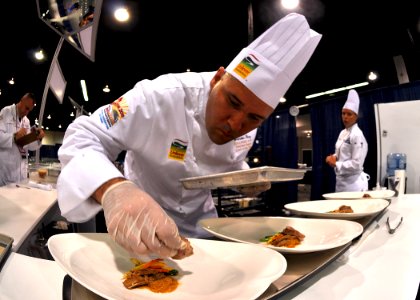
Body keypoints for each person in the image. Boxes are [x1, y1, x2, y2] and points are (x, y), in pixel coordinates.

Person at [57, 13, 322, 258]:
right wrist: (112, 189)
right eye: (232, 101)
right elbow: (84, 134)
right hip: (139, 221)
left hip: (204, 229)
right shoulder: (158, 96)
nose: (235, 123)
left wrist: (243, 177)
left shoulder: (247, 128)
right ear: (218, 79)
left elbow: (225, 163)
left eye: (254, 118)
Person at [325, 89, 369, 192]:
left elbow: (357, 164)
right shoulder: (342, 133)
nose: (345, 117)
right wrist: (333, 157)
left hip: (353, 184)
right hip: (341, 181)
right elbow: (339, 153)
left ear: (356, 116)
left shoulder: (357, 134)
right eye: (343, 113)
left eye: (349, 114)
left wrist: (336, 164)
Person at [0, 92, 45, 186]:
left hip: (21, 172)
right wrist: (13, 137)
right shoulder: (6, 112)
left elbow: (28, 146)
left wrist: (37, 138)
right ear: (21, 101)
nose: (26, 112)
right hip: (6, 171)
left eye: (29, 110)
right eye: (26, 108)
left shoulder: (26, 121)